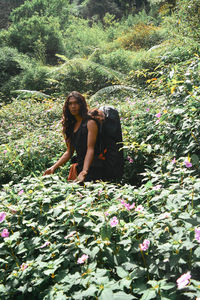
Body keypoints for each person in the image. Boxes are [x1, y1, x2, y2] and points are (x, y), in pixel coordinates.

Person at [43, 91, 103, 182]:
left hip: (94, 166)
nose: (73, 106)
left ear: (81, 105)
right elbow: (69, 151)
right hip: (80, 167)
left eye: (76, 103)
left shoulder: (90, 123)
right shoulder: (70, 126)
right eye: (70, 104)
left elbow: (90, 149)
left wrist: (84, 171)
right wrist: (53, 167)